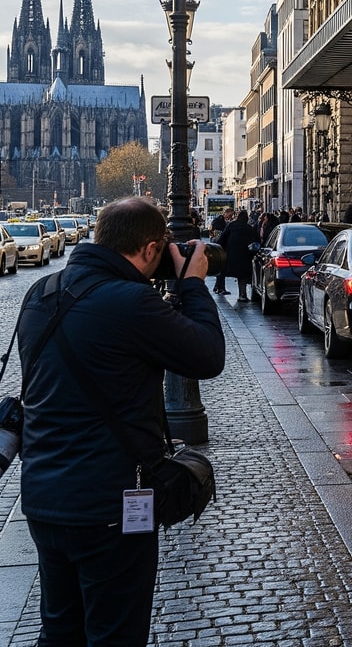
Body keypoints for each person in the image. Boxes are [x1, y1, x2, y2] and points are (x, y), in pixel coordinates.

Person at [16, 197, 226, 646]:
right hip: (111, 504)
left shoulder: (42, 293)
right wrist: (191, 285)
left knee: (59, 631)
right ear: (151, 249)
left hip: (43, 499)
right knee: (116, 636)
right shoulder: (129, 302)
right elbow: (207, 355)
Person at [220, 209, 258, 301]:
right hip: (245, 255)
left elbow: (222, 238)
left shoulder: (231, 225)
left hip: (231, 254)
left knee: (223, 271)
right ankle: (242, 294)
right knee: (242, 276)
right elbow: (256, 241)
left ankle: (220, 287)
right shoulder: (249, 228)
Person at [209, 208, 233, 295]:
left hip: (219, 247)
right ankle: (220, 288)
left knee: (221, 268)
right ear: (225, 213)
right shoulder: (219, 222)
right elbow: (218, 234)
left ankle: (217, 286)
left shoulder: (221, 221)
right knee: (221, 268)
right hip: (219, 247)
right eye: (230, 215)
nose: (231, 217)